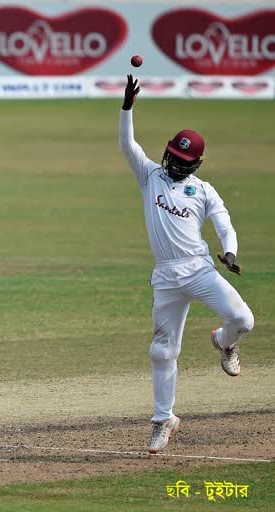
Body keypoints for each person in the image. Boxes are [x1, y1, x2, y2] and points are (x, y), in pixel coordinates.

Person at [119, 75, 255, 454]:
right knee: (162, 350)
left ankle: (223, 343)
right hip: (165, 275)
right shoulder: (149, 176)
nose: (174, 164)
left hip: (198, 269)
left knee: (244, 321)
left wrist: (230, 252)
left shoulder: (204, 190)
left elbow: (224, 222)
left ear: (196, 163)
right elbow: (127, 144)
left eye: (183, 160)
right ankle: (164, 419)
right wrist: (127, 107)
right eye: (172, 157)